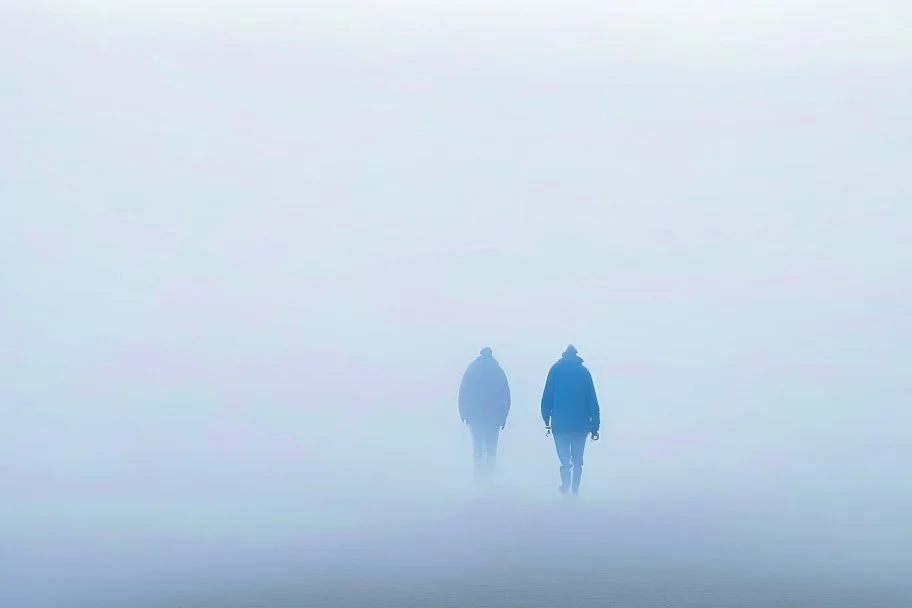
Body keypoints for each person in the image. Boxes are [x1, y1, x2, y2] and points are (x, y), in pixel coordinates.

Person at [540, 344, 601, 495]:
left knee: (565, 459)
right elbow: (592, 400)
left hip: (560, 424)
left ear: (564, 354)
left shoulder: (555, 370)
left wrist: (546, 418)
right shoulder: (584, 372)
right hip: (581, 424)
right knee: (578, 459)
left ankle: (566, 485)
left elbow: (547, 396)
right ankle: (575, 490)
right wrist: (595, 425)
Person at [458, 347, 511, 483]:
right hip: (493, 417)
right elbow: (505, 395)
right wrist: (503, 416)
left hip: (475, 415)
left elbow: (463, 391)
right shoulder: (498, 370)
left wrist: (463, 412)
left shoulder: (472, 369)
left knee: (477, 449)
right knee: (491, 449)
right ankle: (489, 479)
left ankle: (478, 479)